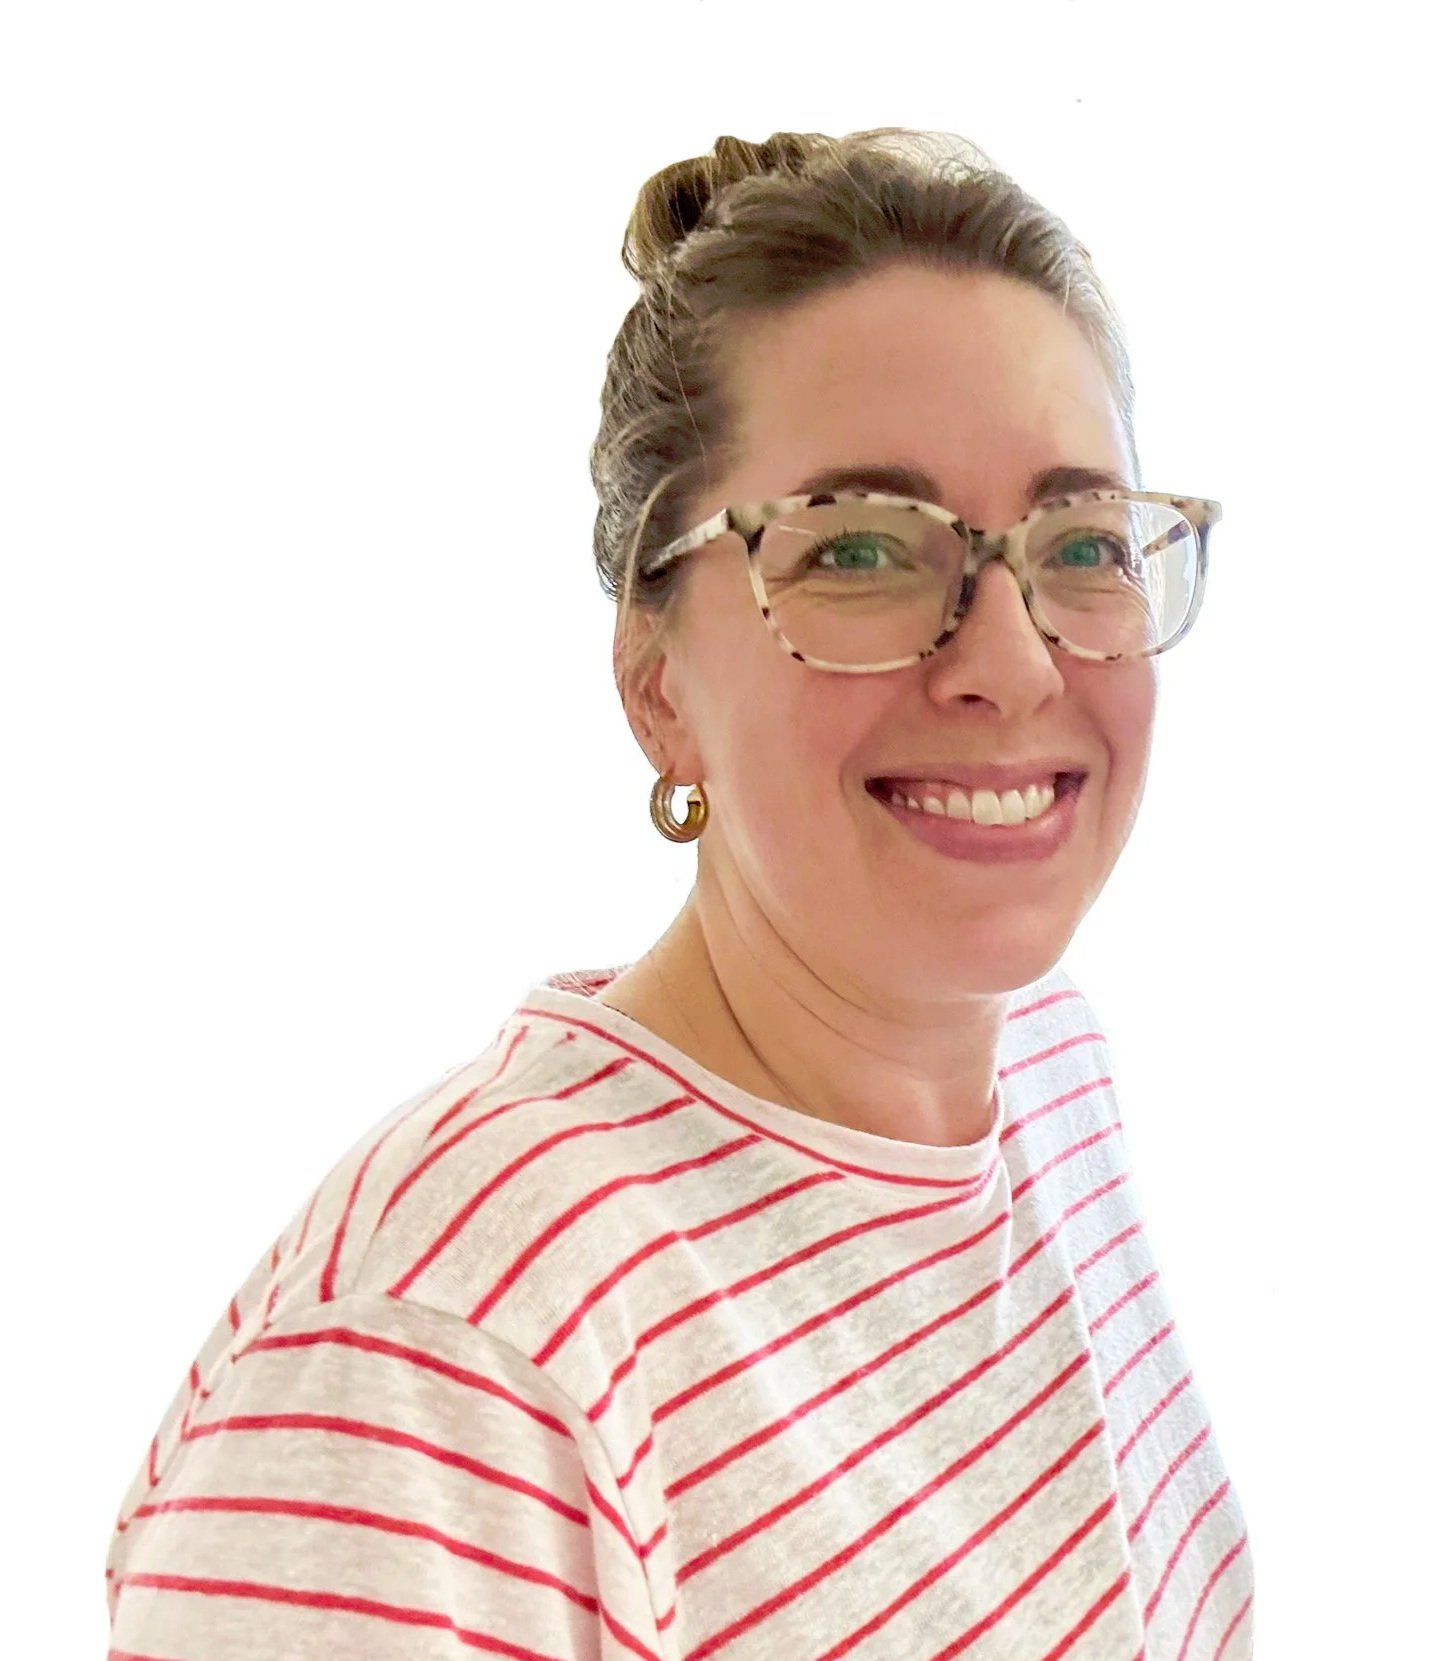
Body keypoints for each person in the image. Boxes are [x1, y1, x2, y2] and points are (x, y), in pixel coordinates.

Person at [105, 127, 1255, 1659]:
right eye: (859, 546)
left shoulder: (1048, 1067)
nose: (1013, 660)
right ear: (657, 688)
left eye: (1086, 542)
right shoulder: (444, 1351)